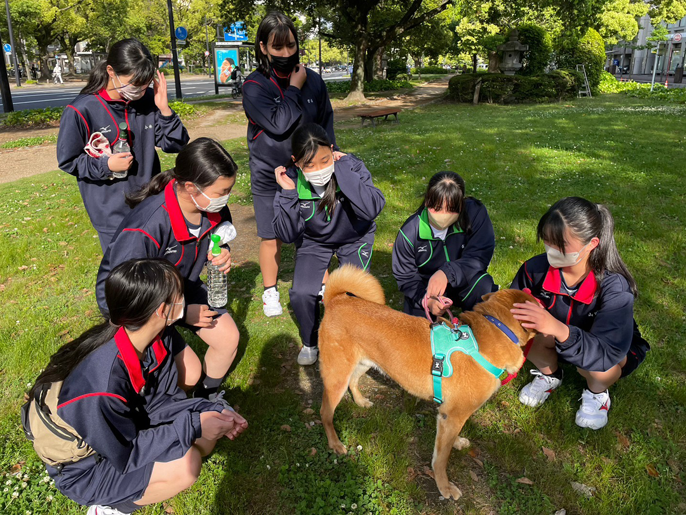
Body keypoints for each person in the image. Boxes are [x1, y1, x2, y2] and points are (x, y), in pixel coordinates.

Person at [23, 259, 247, 515]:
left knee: (205, 440)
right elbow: (126, 454)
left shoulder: (154, 339)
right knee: (187, 465)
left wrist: (208, 409)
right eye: (180, 295)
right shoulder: (100, 385)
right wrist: (194, 423)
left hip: (123, 433)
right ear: (162, 310)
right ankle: (110, 507)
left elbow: (160, 404)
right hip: (87, 467)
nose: (185, 299)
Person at [96, 138, 240, 401]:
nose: (227, 198)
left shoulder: (209, 205)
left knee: (228, 337)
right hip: (139, 304)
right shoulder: (145, 228)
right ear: (190, 187)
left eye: (229, 190)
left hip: (181, 286)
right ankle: (166, 406)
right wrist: (182, 313)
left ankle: (208, 397)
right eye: (222, 192)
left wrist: (223, 251)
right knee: (189, 372)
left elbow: (220, 232)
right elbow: (121, 294)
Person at [510, 197, 649, 430]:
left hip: (607, 352)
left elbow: (608, 351)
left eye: (560, 245)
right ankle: (550, 374)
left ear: (592, 244)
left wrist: (556, 328)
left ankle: (597, 393)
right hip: (558, 340)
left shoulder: (614, 287)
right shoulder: (534, 269)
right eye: (546, 241)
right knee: (523, 330)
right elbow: (512, 308)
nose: (551, 251)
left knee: (597, 368)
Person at [242, 11, 336, 318]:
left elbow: (325, 123)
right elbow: (280, 124)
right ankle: (270, 291)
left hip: (306, 173)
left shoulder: (316, 82)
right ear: (263, 48)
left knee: (312, 231)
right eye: (277, 47)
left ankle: (322, 283)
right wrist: (294, 87)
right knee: (271, 236)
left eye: (291, 46)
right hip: (269, 175)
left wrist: (330, 156)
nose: (285, 53)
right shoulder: (255, 86)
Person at [56, 38, 189, 252]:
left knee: (153, 270)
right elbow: (68, 161)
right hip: (110, 214)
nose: (140, 89)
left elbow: (176, 143)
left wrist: (164, 109)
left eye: (146, 83)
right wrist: (106, 165)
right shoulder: (81, 110)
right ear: (111, 71)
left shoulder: (147, 101)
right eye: (135, 83)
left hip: (150, 203)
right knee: (123, 276)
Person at [273, 123, 385, 365]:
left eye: (325, 160)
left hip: (355, 237)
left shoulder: (349, 165)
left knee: (357, 293)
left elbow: (372, 208)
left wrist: (343, 172)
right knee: (302, 293)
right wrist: (289, 194)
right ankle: (310, 341)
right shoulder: (291, 180)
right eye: (309, 165)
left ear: (332, 150)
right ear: (296, 162)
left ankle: (359, 341)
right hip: (315, 241)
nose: (319, 169)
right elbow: (287, 234)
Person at [392, 171, 497, 319]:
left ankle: (477, 326)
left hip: (465, 279)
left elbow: (479, 256)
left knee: (483, 285)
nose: (444, 214)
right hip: (428, 287)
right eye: (437, 207)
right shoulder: (409, 233)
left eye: (452, 209)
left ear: (462, 203)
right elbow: (406, 277)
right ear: (427, 201)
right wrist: (427, 300)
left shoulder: (475, 213)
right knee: (417, 330)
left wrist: (447, 273)